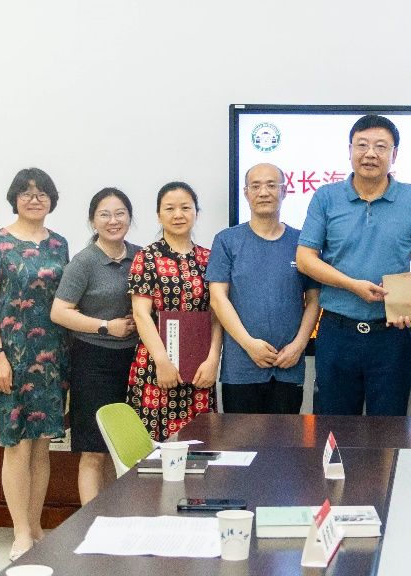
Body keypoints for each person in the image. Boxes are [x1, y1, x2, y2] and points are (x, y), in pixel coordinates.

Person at [296, 114, 411, 416]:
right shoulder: (326, 197)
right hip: (337, 331)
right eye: (362, 145)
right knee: (334, 427)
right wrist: (352, 286)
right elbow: (305, 258)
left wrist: (405, 297)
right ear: (349, 150)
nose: (370, 153)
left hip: (391, 334)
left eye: (381, 146)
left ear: (394, 155)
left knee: (389, 427)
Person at [0, 168, 69, 559]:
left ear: (51, 200)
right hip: (11, 357)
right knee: (16, 446)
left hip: (53, 358)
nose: (35, 199)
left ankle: (35, 525)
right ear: (15, 198)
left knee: (43, 446)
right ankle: (19, 534)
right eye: (27, 193)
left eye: (42, 193)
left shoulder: (60, 244)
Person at [50, 188, 140, 504]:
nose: (113, 221)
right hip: (93, 361)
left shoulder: (141, 257)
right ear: (93, 221)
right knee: (94, 450)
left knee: (126, 448)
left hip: (134, 362)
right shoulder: (84, 262)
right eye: (104, 214)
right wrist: (106, 326)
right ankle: (92, 523)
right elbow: (59, 312)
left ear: (129, 218)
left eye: (120, 214)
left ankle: (120, 518)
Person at [208, 163, 321, 414]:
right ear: (246, 193)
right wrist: (249, 344)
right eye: (256, 186)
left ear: (284, 191)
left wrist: (299, 345)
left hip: (288, 365)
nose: (264, 192)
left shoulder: (301, 242)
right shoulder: (227, 240)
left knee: (286, 438)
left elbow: (314, 299)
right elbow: (217, 298)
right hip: (241, 367)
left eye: (272, 185)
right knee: (239, 438)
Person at [127, 182, 221, 440]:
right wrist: (162, 361)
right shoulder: (146, 257)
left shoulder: (209, 258)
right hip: (156, 366)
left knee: (200, 444)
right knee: (154, 449)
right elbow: (141, 314)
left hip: (200, 366)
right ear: (159, 215)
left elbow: (216, 315)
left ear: (196, 212)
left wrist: (213, 360)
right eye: (170, 208)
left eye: (185, 208)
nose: (178, 214)